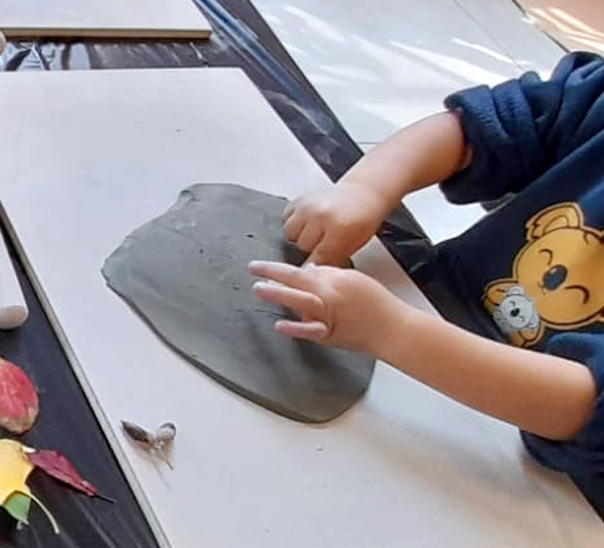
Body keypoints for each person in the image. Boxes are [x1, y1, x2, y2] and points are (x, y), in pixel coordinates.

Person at [253, 52, 604, 506]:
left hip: (545, 484)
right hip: (433, 304)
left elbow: (581, 409)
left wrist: (391, 330)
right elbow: (475, 129)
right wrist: (366, 187)